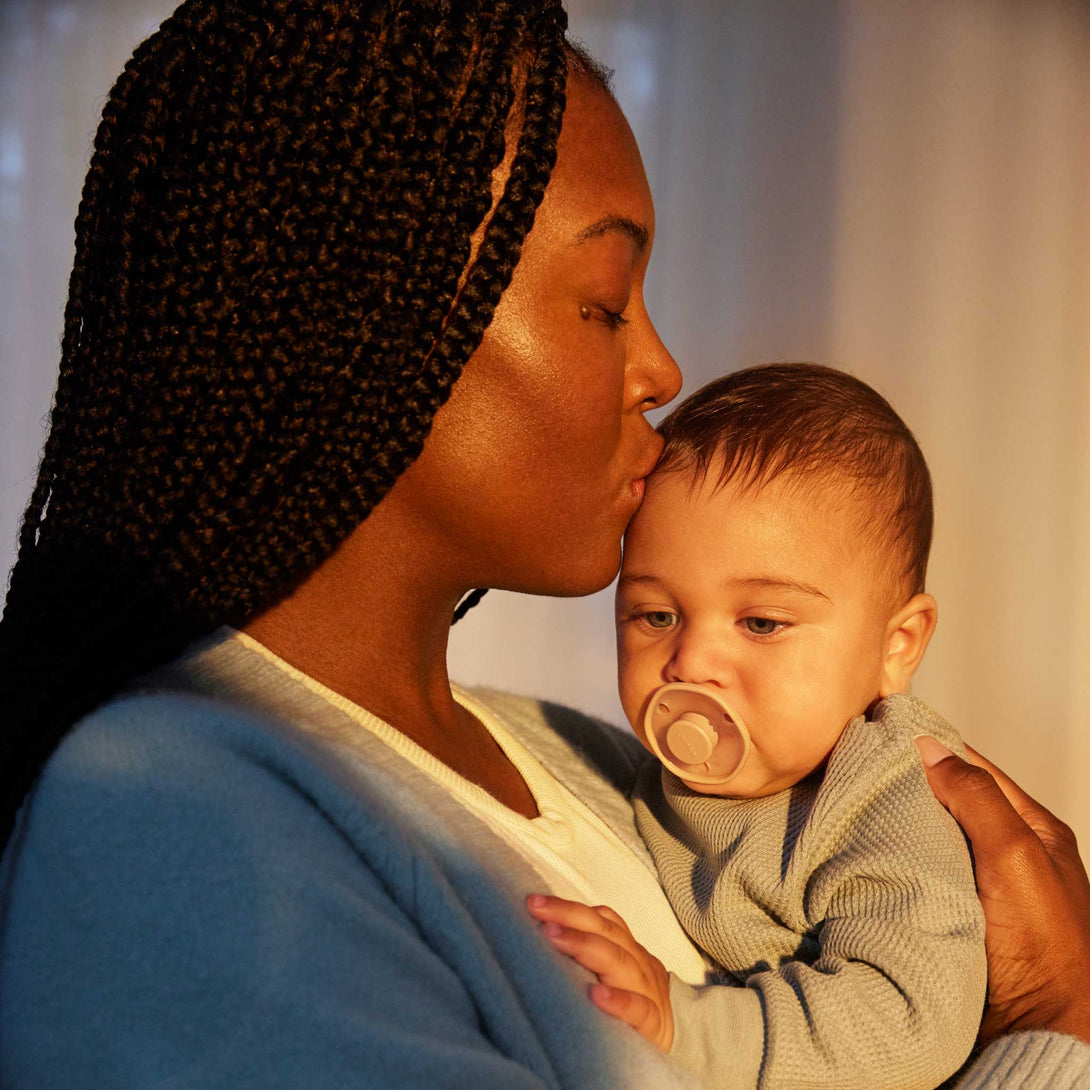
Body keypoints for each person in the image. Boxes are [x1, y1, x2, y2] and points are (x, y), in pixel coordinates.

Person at [0, 3, 1088, 1087]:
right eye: (607, 305)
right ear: (373, 314)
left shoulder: (599, 765)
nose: (663, 368)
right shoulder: (171, 827)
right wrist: (1053, 1025)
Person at [527, 363, 988, 1088]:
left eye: (762, 622)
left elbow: (910, 1021)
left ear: (895, 647)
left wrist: (690, 1025)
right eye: (656, 615)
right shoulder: (632, 775)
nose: (692, 661)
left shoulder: (885, 799)